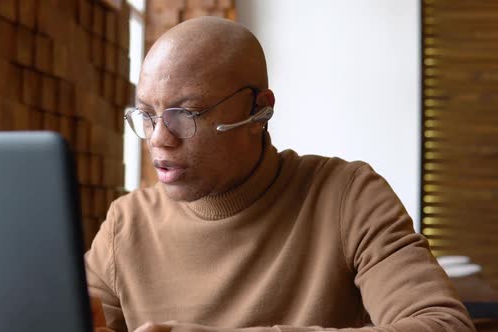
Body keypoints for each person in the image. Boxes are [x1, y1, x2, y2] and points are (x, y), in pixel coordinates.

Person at [85, 16, 475, 332]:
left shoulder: (346, 197)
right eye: (147, 114)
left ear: (259, 111)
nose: (159, 138)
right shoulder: (127, 222)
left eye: (184, 114)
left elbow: (444, 325)